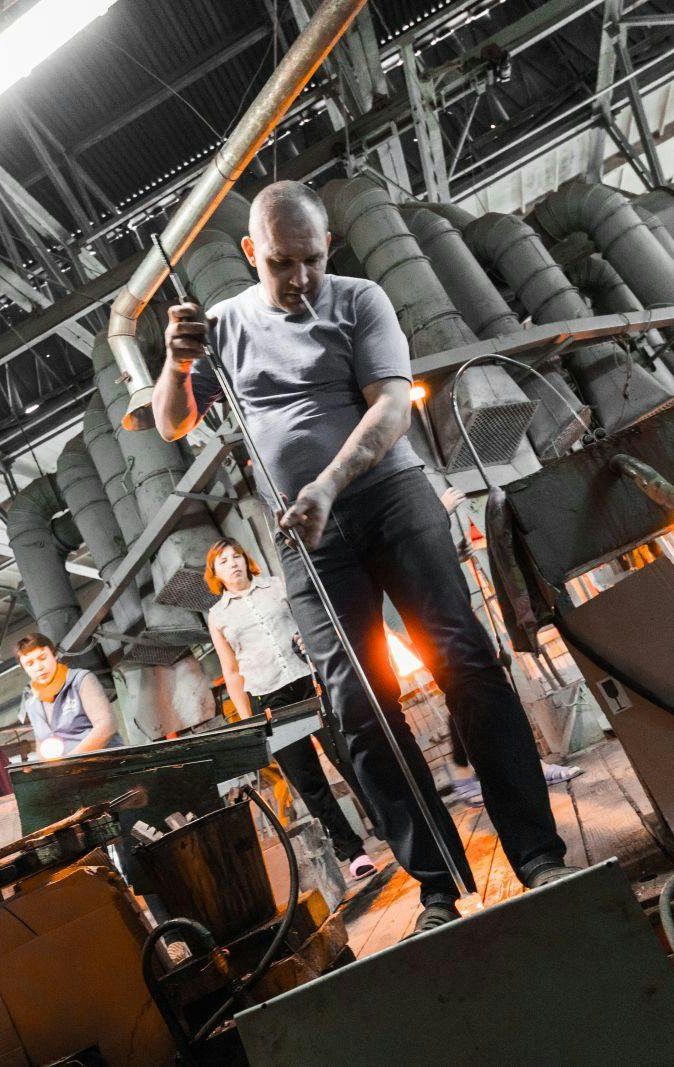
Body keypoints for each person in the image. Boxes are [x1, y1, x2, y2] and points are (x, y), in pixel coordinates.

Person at [154, 180, 573, 934]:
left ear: (329, 249)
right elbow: (173, 421)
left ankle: (537, 852)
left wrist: (327, 483)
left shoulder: (360, 300)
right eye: (282, 265)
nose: (301, 279)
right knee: (353, 702)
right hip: (305, 534)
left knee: (463, 659)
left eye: (312, 259)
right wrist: (175, 364)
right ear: (252, 254)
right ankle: (437, 884)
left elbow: (388, 405)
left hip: (390, 497)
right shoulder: (222, 324)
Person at [206, 537, 379, 880]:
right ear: (216, 574)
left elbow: (309, 620)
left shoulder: (276, 586)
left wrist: (308, 638)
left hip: (308, 679)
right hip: (269, 700)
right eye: (224, 561)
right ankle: (353, 851)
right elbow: (231, 670)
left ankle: (389, 824)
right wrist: (249, 721)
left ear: (246, 559)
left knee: (348, 755)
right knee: (307, 779)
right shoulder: (218, 615)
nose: (233, 563)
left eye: (236, 555)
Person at [16, 633, 120, 755]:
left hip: (104, 764)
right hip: (68, 771)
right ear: (24, 669)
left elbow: (107, 726)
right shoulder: (32, 702)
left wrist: (70, 761)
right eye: (30, 663)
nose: (38, 667)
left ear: (54, 656)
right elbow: (41, 742)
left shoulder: (80, 680)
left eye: (43, 658)